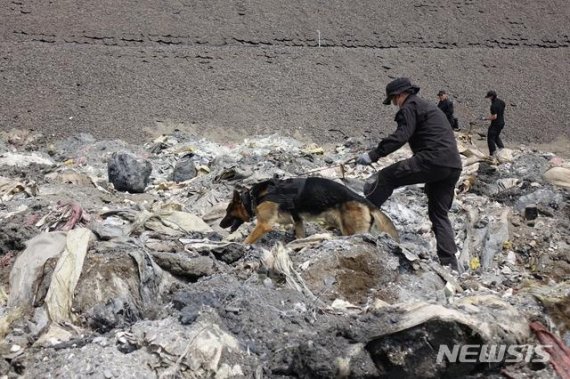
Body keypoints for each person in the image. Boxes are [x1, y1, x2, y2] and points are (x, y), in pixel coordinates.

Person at [356, 77, 463, 271]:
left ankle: (360, 222)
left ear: (399, 95)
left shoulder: (410, 107)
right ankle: (450, 264)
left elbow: (401, 135)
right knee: (439, 213)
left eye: (394, 101)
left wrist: (374, 154)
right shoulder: (427, 106)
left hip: (432, 160)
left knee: (386, 177)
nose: (395, 105)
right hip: (452, 165)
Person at [482, 90, 506, 156]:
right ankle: (502, 150)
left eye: (489, 97)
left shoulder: (493, 106)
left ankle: (492, 154)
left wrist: (485, 118)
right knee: (496, 137)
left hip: (496, 124)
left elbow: (494, 117)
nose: (488, 98)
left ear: (492, 97)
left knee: (490, 138)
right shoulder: (502, 102)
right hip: (502, 122)